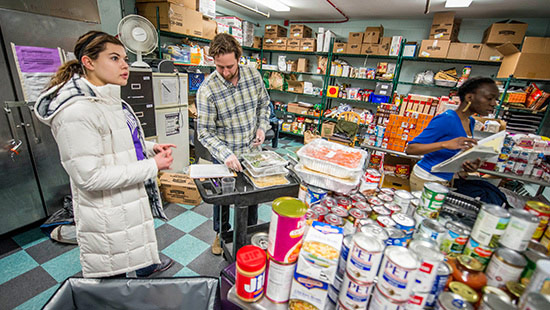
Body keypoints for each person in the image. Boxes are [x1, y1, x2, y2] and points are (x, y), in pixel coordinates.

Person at [35, 31, 174, 278]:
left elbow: (118, 143)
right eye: (114, 58)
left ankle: (145, 267)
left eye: (125, 58)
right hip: (106, 210)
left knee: (129, 255)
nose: (125, 65)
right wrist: (152, 166)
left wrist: (151, 148)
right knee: (112, 277)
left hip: (124, 200)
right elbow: (89, 177)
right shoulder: (77, 112)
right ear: (88, 62)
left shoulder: (108, 98)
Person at [197, 33, 270, 255]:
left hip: (251, 153)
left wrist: (261, 127)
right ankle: (221, 234)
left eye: (230, 66)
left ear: (239, 58)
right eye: (220, 67)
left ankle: (249, 231)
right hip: (225, 155)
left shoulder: (253, 75)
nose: (226, 72)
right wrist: (225, 153)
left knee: (252, 197)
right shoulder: (207, 90)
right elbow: (204, 132)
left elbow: (264, 105)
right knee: (223, 200)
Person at [405, 77, 499, 191]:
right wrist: (444, 144)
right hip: (426, 179)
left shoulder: (471, 121)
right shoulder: (447, 119)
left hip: (444, 181)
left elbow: (454, 155)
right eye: (489, 98)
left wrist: (469, 166)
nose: (494, 103)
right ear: (469, 97)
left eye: (496, 99)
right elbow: (411, 149)